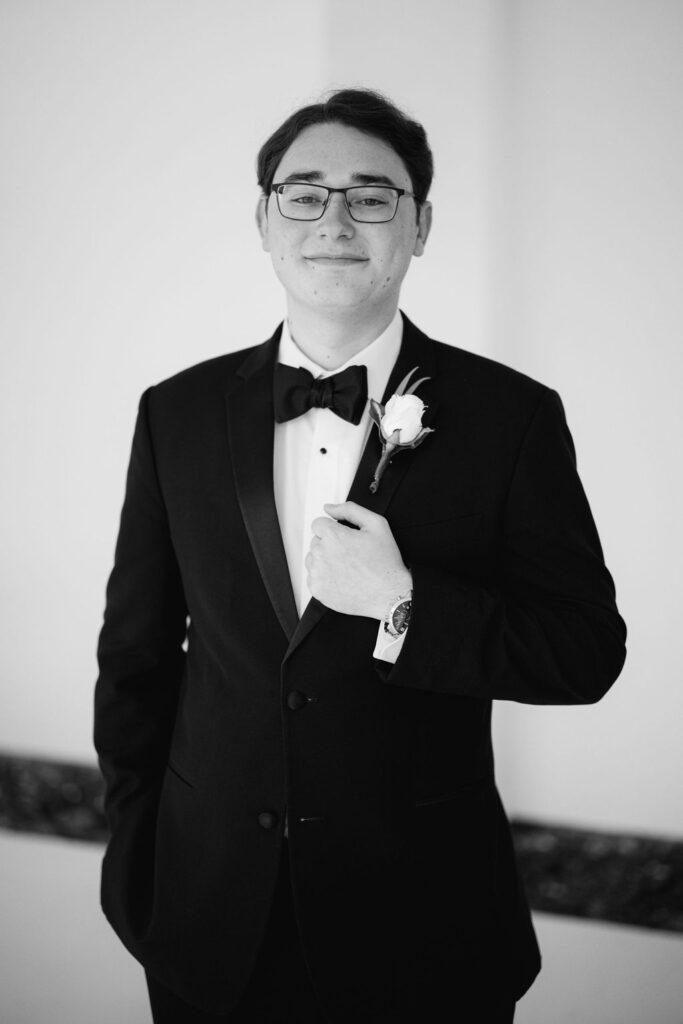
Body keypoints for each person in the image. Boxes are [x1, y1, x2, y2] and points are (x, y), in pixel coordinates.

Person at [94, 89, 626, 1023]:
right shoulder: (173, 412)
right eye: (304, 193)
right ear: (263, 218)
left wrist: (404, 605)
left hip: (426, 931)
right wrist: (138, 853)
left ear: (419, 226)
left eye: (372, 196)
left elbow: (584, 651)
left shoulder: (511, 417)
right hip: (205, 920)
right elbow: (135, 657)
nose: (335, 220)